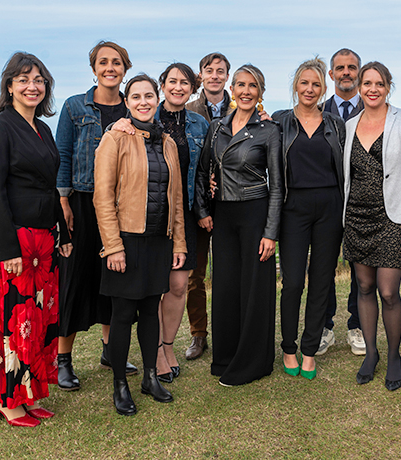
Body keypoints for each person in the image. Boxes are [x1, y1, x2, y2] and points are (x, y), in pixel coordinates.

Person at [0, 52, 72, 427]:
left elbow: (50, 188)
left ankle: (29, 394)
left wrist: (63, 232)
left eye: (39, 80)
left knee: (37, 320)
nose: (32, 86)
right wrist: (8, 249)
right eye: (24, 79)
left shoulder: (43, 129)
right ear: (9, 86)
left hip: (44, 239)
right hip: (15, 239)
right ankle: (7, 399)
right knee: (11, 320)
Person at [93, 74, 186, 416]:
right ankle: (120, 384)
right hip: (126, 242)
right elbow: (102, 197)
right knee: (122, 314)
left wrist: (179, 243)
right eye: (136, 97)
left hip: (158, 242)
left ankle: (150, 377)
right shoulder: (114, 137)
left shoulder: (168, 143)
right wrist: (112, 246)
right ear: (127, 102)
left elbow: (176, 199)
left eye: (149, 95)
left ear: (157, 98)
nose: (144, 101)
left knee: (150, 311)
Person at [111, 63, 210, 383]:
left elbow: (208, 164)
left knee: (180, 284)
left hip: (186, 214)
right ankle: (154, 351)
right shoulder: (140, 121)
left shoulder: (200, 124)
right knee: (154, 288)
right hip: (150, 216)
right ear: (162, 87)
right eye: (172, 82)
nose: (178, 87)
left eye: (184, 82)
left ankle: (168, 345)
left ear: (191, 88)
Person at [55, 41, 138, 391]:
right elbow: (62, 154)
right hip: (82, 203)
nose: (110, 68)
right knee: (74, 280)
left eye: (116, 62)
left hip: (120, 207)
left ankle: (111, 350)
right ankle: (63, 360)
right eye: (103, 62)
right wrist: (62, 201)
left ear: (125, 68)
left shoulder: (132, 109)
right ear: (93, 69)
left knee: (114, 281)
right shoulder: (75, 106)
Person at [194, 64, 282, 386]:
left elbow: (278, 185)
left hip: (255, 213)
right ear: (232, 88)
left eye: (253, 86)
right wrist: (204, 208)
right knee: (227, 288)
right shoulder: (217, 127)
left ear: (260, 92)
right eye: (240, 85)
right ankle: (226, 357)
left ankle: (254, 362)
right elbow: (203, 171)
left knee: (255, 289)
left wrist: (271, 232)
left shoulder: (269, 130)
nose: (246, 91)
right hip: (224, 215)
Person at [343, 61, 401, 391]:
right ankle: (371, 353)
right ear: (359, 87)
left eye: (379, 83)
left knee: (388, 291)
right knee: (363, 288)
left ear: (389, 86)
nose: (372, 89)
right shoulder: (349, 125)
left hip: (393, 217)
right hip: (357, 216)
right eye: (367, 83)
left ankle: (394, 355)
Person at [273, 57, 346, 380]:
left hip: (329, 206)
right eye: (304, 83)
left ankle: (310, 348)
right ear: (295, 86)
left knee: (321, 281)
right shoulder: (280, 121)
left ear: (323, 88)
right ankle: (288, 347)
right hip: (293, 208)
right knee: (292, 282)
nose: (310, 89)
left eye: (316, 84)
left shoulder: (334, 123)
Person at [183, 52, 232, 360]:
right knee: (194, 275)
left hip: (230, 203)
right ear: (201, 75)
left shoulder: (242, 107)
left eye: (221, 71)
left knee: (228, 271)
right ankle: (198, 334)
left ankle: (228, 330)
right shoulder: (188, 110)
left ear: (228, 76)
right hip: (196, 204)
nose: (215, 75)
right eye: (209, 70)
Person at [319, 48, 366, 356]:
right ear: (331, 74)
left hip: (364, 203)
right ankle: (324, 326)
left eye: (352, 67)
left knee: (361, 271)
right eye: (340, 67)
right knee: (323, 267)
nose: (346, 72)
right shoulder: (315, 110)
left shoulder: (377, 109)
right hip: (326, 202)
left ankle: (357, 325)